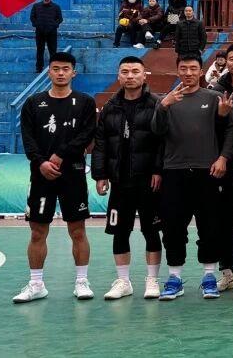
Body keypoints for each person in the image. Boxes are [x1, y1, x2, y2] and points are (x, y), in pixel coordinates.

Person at [14, 51, 96, 304]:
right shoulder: (33, 103)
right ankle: (36, 284)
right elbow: (28, 138)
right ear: (49, 72)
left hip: (73, 174)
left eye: (65, 69)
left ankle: (82, 281)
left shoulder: (85, 102)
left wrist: (60, 155)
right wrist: (40, 162)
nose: (60, 73)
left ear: (74, 72)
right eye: (56, 69)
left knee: (78, 230)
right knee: (37, 232)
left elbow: (87, 134)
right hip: (41, 175)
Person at [152, 54, 233, 300]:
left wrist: (223, 158)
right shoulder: (166, 99)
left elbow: (231, 129)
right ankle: (174, 278)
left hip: (207, 172)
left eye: (193, 68)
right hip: (174, 172)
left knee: (209, 226)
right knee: (172, 228)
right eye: (183, 68)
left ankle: (209, 277)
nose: (188, 73)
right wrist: (163, 106)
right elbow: (156, 131)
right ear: (177, 71)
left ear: (201, 71)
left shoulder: (214, 97)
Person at [92, 56, 165, 301]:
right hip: (119, 181)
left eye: (135, 71)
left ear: (144, 75)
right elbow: (101, 143)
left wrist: (158, 170)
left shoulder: (156, 103)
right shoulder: (110, 106)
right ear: (119, 76)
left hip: (148, 180)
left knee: (151, 231)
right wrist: (100, 174)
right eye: (125, 71)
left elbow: (163, 141)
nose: (130, 76)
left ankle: (152, 280)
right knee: (120, 232)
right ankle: (123, 281)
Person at [30, 0, 63, 73]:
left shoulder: (56, 7)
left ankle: (53, 68)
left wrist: (53, 25)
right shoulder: (36, 6)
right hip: (39, 32)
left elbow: (60, 19)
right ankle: (39, 68)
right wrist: (37, 25)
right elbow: (32, 17)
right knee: (40, 50)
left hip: (52, 32)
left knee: (53, 51)